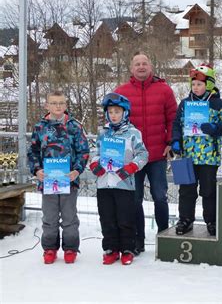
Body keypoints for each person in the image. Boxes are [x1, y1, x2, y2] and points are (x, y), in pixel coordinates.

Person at [115, 52, 177, 255]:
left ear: (150, 66)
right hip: (132, 158)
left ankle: (164, 237)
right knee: (135, 200)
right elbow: (114, 121)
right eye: (137, 64)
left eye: (144, 63)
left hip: (157, 155)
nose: (141, 67)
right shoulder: (121, 93)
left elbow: (173, 118)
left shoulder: (164, 90)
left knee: (160, 197)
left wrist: (171, 142)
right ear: (131, 68)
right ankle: (137, 241)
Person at [28, 90, 90, 264]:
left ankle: (70, 248)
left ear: (66, 105)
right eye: (54, 103)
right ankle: (49, 248)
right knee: (49, 217)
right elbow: (32, 151)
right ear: (47, 105)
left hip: (69, 181)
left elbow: (83, 152)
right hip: (48, 181)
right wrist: (37, 170)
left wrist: (77, 171)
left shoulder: (74, 126)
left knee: (70, 217)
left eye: (61, 103)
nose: (57, 106)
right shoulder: (40, 127)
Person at [171, 64, 222, 236]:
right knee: (186, 191)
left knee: (208, 191)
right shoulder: (185, 104)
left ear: (209, 84)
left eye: (199, 84)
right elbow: (177, 124)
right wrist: (176, 140)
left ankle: (212, 221)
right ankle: (185, 219)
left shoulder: (219, 104)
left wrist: (215, 127)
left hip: (208, 156)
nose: (196, 87)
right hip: (188, 155)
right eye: (193, 84)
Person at [89, 93, 148, 265]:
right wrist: (94, 164)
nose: (114, 115)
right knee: (107, 217)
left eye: (117, 111)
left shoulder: (133, 133)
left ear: (125, 113)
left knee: (125, 217)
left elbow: (143, 154)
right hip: (104, 183)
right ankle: (111, 249)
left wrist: (132, 167)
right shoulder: (103, 133)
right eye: (111, 112)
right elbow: (95, 153)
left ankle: (127, 249)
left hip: (124, 183)